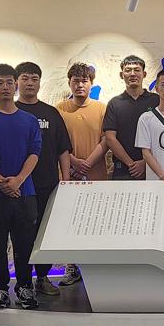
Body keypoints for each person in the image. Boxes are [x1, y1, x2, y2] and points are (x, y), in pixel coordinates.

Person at [0, 64, 42, 310]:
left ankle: (24, 286)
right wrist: (0, 181)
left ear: (15, 85)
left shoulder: (29, 120)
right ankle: (1, 288)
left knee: (25, 243)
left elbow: (35, 152)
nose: (5, 87)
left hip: (25, 192)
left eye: (9, 82)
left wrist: (18, 180)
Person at [16, 62, 71, 296]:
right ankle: (23, 281)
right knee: (22, 235)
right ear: (17, 82)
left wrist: (66, 180)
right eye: (25, 78)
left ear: (40, 82)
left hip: (47, 184)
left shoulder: (51, 113)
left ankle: (42, 277)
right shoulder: (11, 111)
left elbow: (63, 149)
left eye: (34, 78)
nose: (30, 83)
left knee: (44, 233)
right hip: (18, 186)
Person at [56, 62, 108, 288]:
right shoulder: (59, 109)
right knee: (70, 223)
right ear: (69, 83)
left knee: (97, 222)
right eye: (75, 81)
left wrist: (88, 162)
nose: (79, 85)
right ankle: (71, 267)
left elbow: (107, 140)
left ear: (91, 84)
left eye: (84, 81)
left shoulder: (102, 108)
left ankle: (96, 267)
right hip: (69, 176)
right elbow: (57, 142)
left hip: (97, 175)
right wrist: (74, 162)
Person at [103, 55, 160, 180]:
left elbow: (161, 135)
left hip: (153, 168)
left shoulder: (156, 100)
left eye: (137, 70)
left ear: (144, 74)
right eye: (128, 70)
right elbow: (110, 138)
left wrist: (145, 163)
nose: (133, 74)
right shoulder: (114, 103)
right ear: (121, 75)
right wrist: (131, 165)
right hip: (122, 170)